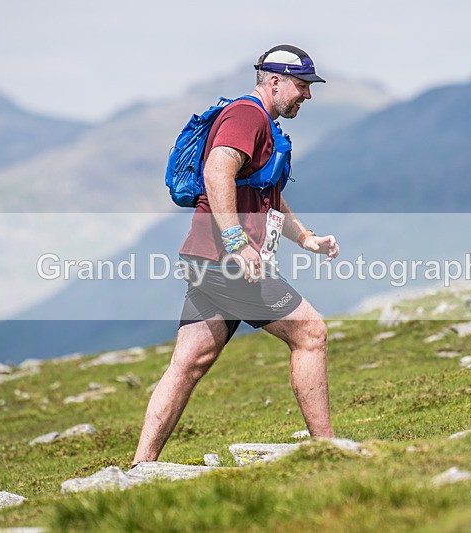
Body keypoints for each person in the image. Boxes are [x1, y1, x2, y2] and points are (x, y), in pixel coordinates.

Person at [132, 44, 340, 465]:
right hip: (228, 262)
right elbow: (216, 171)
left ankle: (141, 466)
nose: (307, 96)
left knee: (189, 362)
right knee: (310, 333)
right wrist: (236, 241)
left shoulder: (264, 123)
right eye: (301, 86)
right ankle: (327, 451)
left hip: (206, 259)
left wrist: (307, 239)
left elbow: (269, 196)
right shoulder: (247, 116)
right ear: (274, 81)